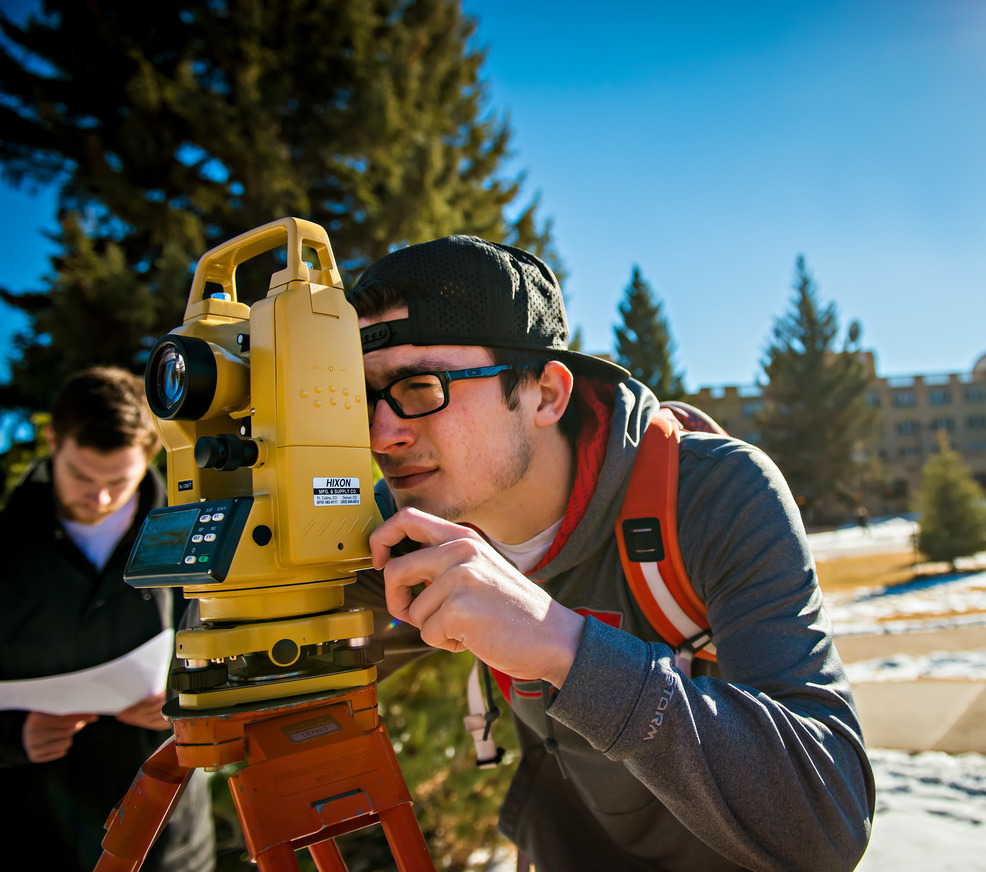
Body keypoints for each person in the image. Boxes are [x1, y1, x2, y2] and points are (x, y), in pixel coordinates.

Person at [345, 236, 876, 872]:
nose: (383, 433)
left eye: (421, 386)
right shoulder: (404, 521)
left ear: (545, 394)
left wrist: (562, 644)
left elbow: (826, 821)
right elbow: (271, 679)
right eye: (364, 395)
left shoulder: (714, 495)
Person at [0, 366, 215, 872]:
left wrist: (184, 704)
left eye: (118, 481)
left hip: (165, 837)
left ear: (152, 455)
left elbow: (244, 655)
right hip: (32, 830)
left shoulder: (200, 537)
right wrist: (11, 737)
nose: (98, 498)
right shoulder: (5, 545)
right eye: (81, 476)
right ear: (53, 441)